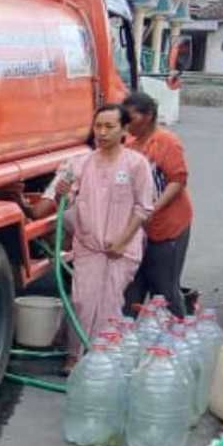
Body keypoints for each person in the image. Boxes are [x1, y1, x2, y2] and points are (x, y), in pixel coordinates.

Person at [55, 104, 155, 371]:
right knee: (82, 301)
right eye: (98, 126)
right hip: (89, 246)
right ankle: (74, 356)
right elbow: (63, 200)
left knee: (109, 303)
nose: (102, 132)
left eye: (109, 127)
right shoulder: (82, 163)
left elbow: (143, 208)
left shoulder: (136, 164)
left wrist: (122, 242)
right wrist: (61, 192)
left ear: (124, 130)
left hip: (122, 249)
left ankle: (100, 358)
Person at [122, 91, 192, 318]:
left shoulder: (167, 142)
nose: (125, 124)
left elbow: (177, 180)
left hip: (168, 226)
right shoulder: (130, 144)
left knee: (164, 289)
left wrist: (153, 208)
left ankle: (178, 337)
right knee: (132, 287)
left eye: (130, 118)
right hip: (139, 229)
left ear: (149, 116)